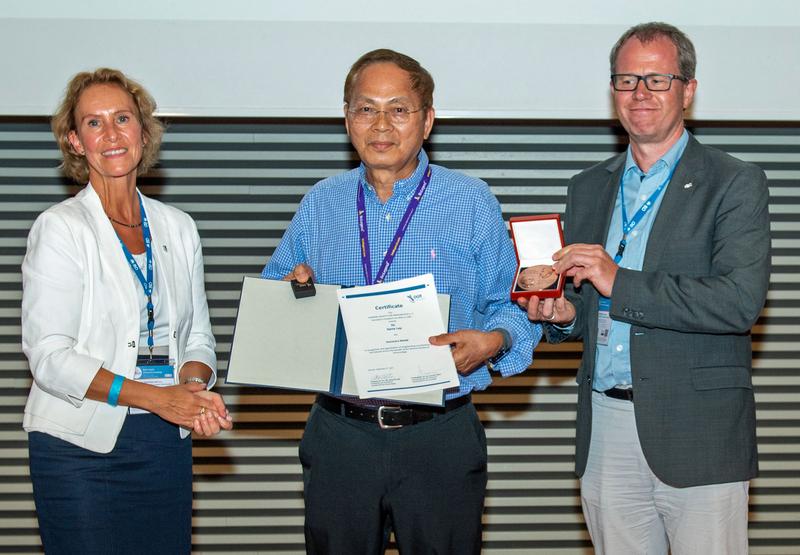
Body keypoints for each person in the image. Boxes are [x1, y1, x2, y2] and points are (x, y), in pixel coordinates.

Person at [262, 49, 538, 554]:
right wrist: (292, 291)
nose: (381, 124)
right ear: (347, 119)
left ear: (427, 120)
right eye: (366, 109)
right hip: (341, 435)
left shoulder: (471, 201)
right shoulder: (322, 201)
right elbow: (276, 295)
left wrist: (493, 341)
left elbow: (513, 304)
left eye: (399, 108)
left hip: (439, 436)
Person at [521, 22, 770, 554]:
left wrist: (619, 280)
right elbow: (591, 308)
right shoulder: (588, 186)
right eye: (627, 79)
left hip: (698, 431)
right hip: (606, 426)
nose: (640, 94)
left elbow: (738, 302)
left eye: (658, 79)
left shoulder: (734, 181)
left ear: (689, 89)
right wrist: (564, 316)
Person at [21, 68, 233, 554]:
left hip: (163, 442)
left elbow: (197, 337)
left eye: (122, 118)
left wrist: (192, 389)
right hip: (79, 446)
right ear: (75, 142)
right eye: (94, 123)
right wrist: (157, 398)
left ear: (143, 131)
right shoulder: (60, 229)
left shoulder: (178, 227)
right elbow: (50, 358)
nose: (111, 134)